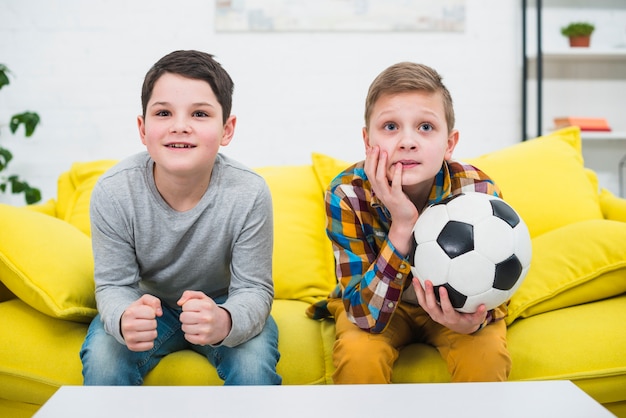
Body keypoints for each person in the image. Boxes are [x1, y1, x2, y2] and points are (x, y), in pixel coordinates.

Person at [80, 50, 281, 385]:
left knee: (252, 364)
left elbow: (253, 287)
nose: (180, 126)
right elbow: (114, 284)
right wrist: (124, 317)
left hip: (222, 305)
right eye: (163, 113)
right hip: (146, 306)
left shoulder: (250, 192)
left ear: (227, 129)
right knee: (103, 358)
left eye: (199, 114)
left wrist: (226, 320)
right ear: (143, 129)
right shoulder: (114, 191)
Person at [306, 62, 511, 384]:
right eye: (390, 127)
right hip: (376, 304)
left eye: (425, 127)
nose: (407, 141)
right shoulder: (347, 193)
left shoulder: (476, 190)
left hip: (453, 307)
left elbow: (499, 281)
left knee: (486, 355)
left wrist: (473, 321)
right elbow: (363, 315)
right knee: (359, 356)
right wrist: (403, 225)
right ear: (367, 140)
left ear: (450, 143)